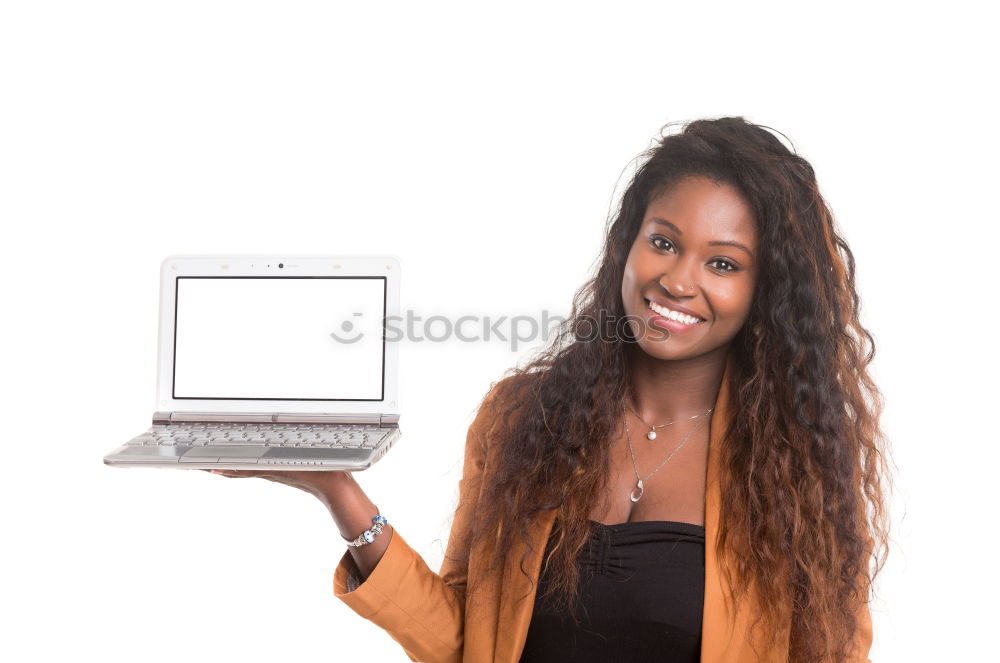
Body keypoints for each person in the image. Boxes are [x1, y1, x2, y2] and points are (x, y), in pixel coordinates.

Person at [205, 116, 890, 663]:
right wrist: (339, 492)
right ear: (628, 241)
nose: (679, 280)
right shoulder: (523, 419)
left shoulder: (797, 470)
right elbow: (464, 643)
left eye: (722, 262)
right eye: (662, 240)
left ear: (762, 289)